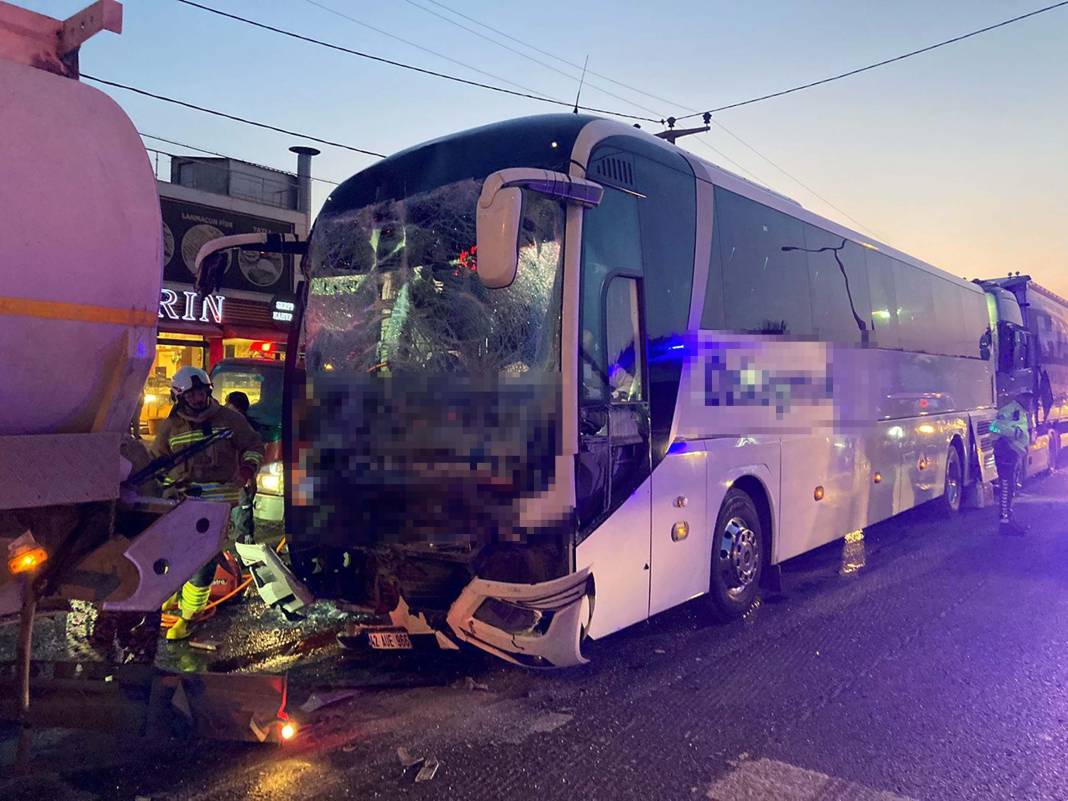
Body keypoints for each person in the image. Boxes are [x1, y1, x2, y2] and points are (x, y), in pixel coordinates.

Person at [153, 367, 264, 640]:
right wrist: (169, 491)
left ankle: (190, 615)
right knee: (179, 555)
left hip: (220, 503)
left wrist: (248, 468)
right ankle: (176, 595)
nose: (198, 399)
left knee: (204, 559)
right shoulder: (170, 428)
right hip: (184, 503)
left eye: (202, 392)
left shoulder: (229, 420)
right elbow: (158, 466)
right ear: (179, 397)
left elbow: (254, 445)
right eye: (192, 395)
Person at [990, 390, 1032, 536]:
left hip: (1013, 453)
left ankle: (1008, 520)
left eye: (1030, 399)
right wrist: (1015, 433)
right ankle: (1005, 523)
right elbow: (994, 427)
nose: (1029, 401)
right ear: (1018, 396)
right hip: (1006, 452)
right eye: (1026, 398)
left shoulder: (1021, 411)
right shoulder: (1008, 410)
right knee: (1006, 487)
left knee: (1011, 487)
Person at [224, 391, 256, 548]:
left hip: (240, 479)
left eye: (228, 404)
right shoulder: (231, 423)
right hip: (231, 478)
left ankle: (245, 548)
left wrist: (247, 476)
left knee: (242, 513)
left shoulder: (242, 426)